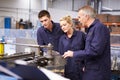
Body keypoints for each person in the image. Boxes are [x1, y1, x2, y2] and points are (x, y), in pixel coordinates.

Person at [62, 6, 111, 80]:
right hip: (90, 70)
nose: (79, 20)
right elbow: (88, 49)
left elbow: (95, 51)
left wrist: (74, 54)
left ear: (86, 16)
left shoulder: (99, 28)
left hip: (97, 73)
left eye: (79, 17)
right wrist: (85, 64)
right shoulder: (90, 30)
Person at [59, 15, 85, 80]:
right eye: (61, 26)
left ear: (70, 24)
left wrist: (86, 65)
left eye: (64, 25)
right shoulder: (62, 39)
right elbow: (61, 55)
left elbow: (87, 51)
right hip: (68, 69)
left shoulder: (81, 35)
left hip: (80, 69)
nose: (63, 27)